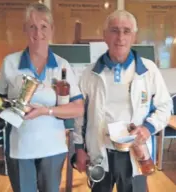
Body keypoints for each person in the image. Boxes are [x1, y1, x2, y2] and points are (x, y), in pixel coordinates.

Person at [73, 10, 172, 192]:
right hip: (100, 153)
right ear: (104, 35)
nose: (120, 37)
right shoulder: (89, 74)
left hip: (135, 154)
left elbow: (165, 106)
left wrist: (148, 128)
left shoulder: (148, 70)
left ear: (134, 36)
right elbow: (80, 115)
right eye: (114, 30)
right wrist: (79, 148)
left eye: (126, 31)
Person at [0, 2, 84, 192]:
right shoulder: (9, 63)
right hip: (20, 147)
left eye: (44, 27)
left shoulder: (62, 66)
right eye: (32, 27)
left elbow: (78, 107)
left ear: (51, 29)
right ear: (24, 29)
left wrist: (46, 111)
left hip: (53, 148)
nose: (38, 33)